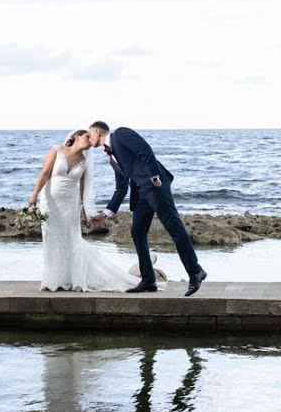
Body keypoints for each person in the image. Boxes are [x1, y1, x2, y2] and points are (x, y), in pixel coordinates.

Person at [87, 121, 207, 296]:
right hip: (141, 192)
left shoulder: (120, 134)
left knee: (173, 226)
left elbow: (145, 149)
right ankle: (148, 280)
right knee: (137, 232)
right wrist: (105, 214)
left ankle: (195, 271)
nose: (89, 140)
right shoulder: (112, 159)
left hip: (154, 185)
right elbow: (121, 188)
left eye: (89, 135)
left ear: (97, 132)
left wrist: (154, 176)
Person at [27, 129, 145, 292]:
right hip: (50, 202)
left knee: (72, 239)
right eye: (87, 137)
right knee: (51, 238)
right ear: (76, 136)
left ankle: (73, 280)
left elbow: (84, 189)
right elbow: (44, 174)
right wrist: (34, 196)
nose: (90, 140)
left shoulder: (84, 160)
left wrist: (85, 212)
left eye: (91, 138)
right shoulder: (57, 151)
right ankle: (52, 280)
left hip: (70, 203)